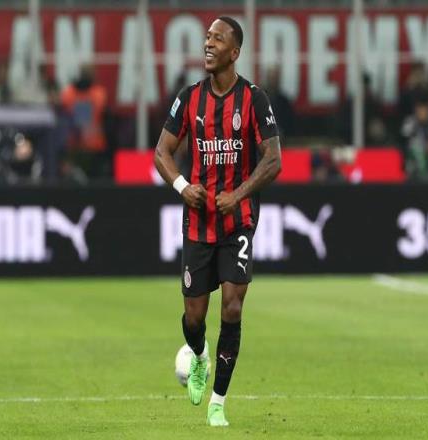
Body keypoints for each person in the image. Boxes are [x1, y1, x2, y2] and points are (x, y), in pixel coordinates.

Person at [154, 16, 281, 427]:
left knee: (232, 305)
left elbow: (273, 159)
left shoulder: (255, 99)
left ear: (235, 51)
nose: (208, 44)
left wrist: (239, 195)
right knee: (194, 318)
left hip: (238, 222)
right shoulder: (189, 98)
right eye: (207, 37)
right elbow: (161, 153)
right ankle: (200, 355)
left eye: (218, 39)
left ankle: (218, 403)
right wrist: (181, 186)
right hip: (198, 223)